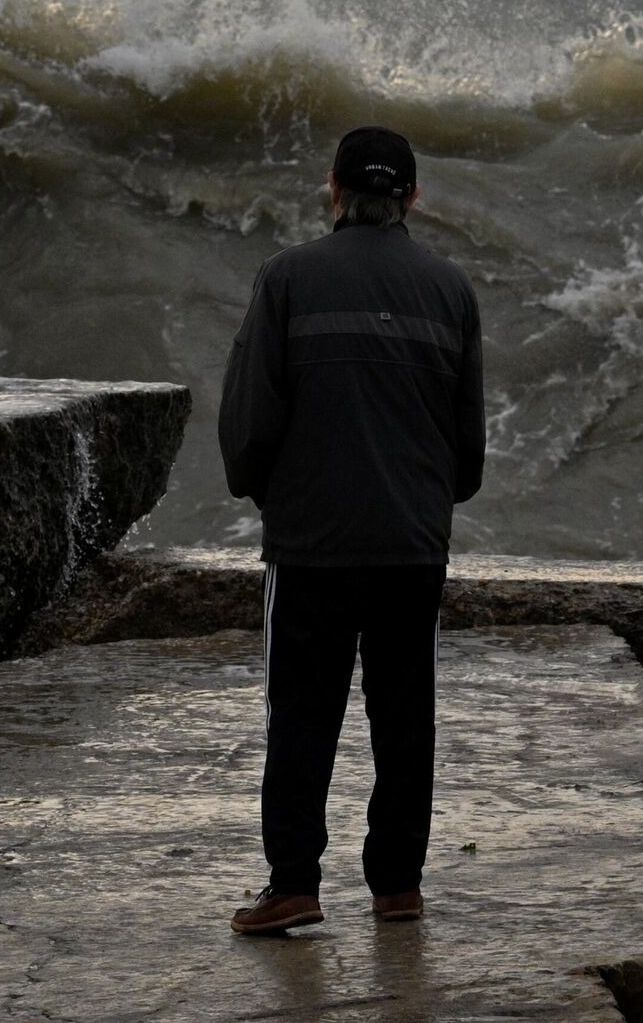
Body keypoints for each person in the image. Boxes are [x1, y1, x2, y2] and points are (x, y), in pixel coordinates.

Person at [217, 125, 486, 936]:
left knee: (301, 712)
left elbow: (250, 419)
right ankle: (397, 887)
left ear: (333, 189)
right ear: (412, 198)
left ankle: (295, 884)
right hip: (411, 542)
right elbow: (467, 446)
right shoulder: (451, 290)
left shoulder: (287, 277)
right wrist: (426, 504)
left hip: (312, 543)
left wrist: (268, 494)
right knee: (404, 714)